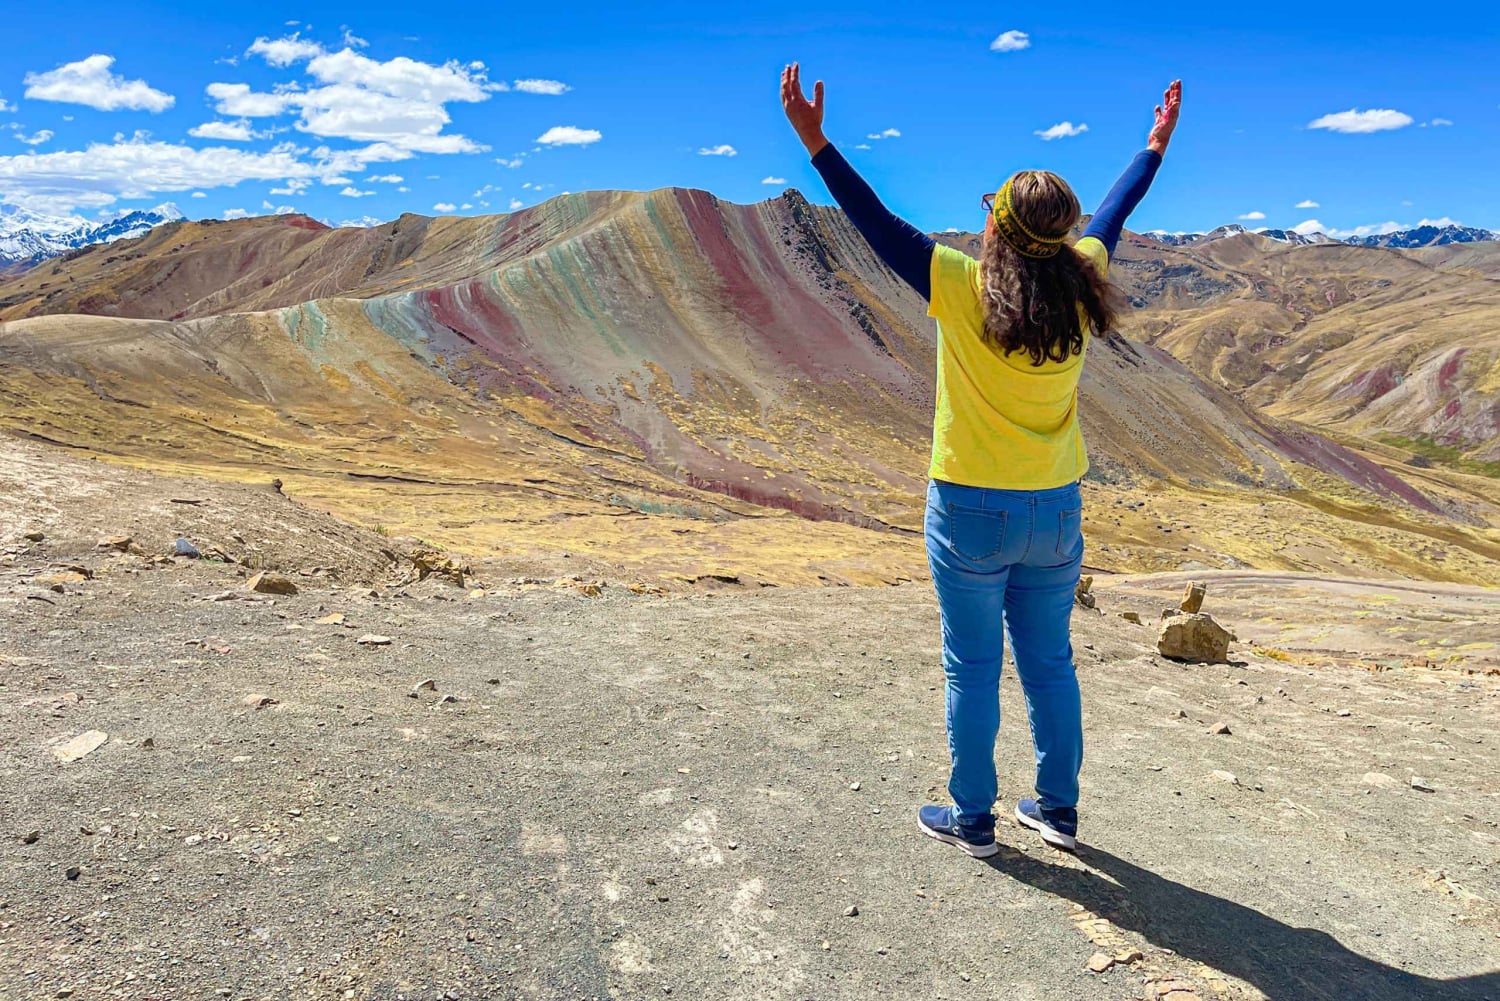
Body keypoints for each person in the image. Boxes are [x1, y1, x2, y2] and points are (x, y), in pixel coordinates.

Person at [781, 63, 1181, 857]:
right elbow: (1119, 209)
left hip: (967, 507)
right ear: (1063, 237)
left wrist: (816, 142)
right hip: (1055, 509)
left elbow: (875, 222)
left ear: (996, 225)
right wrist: (1154, 148)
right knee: (1049, 660)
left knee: (972, 665)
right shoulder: (1084, 282)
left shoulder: (959, 283)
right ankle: (1057, 811)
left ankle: (974, 819)